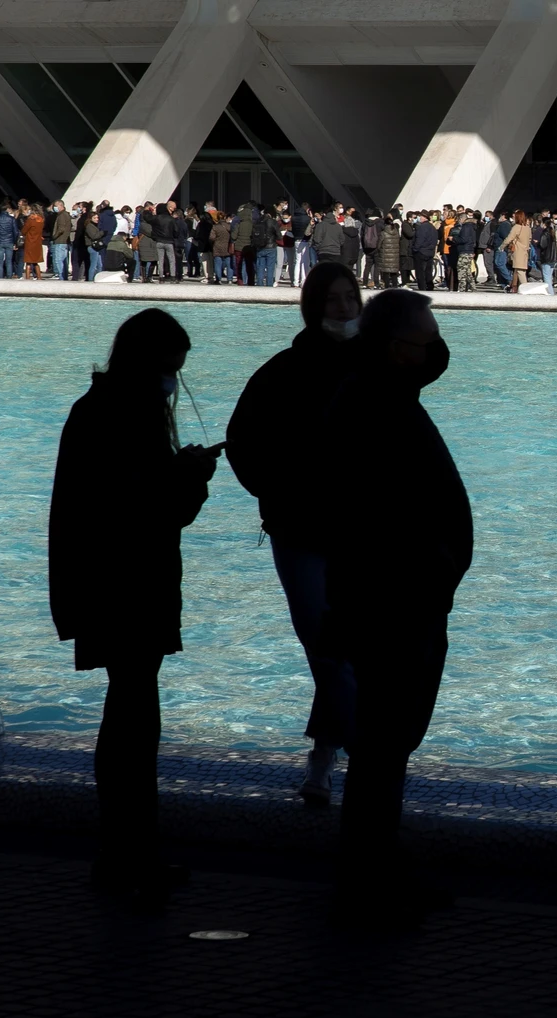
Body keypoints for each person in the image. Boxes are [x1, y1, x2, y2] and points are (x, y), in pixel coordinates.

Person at [49, 308, 219, 909]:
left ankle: (126, 851)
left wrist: (176, 472)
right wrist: (192, 476)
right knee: (133, 721)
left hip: (102, 585)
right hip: (128, 588)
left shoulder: (97, 407)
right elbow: (152, 507)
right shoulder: (130, 414)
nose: (176, 380)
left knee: (129, 714)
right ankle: (126, 855)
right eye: (172, 368)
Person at [322, 288, 471, 930]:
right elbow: (380, 515)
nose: (436, 351)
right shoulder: (373, 406)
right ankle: (369, 874)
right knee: (384, 741)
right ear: (395, 351)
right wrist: (433, 563)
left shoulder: (383, 396)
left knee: (387, 742)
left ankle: (374, 864)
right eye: (425, 342)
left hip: (402, 597)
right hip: (393, 602)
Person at [226, 262, 364, 807]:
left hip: (362, 535)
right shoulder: (283, 370)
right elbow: (241, 440)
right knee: (325, 648)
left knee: (345, 651)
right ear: (312, 305)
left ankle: (325, 758)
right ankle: (354, 753)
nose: (342, 308)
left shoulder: (378, 368)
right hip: (299, 531)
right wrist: (275, 495)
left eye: (349, 298)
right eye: (331, 300)